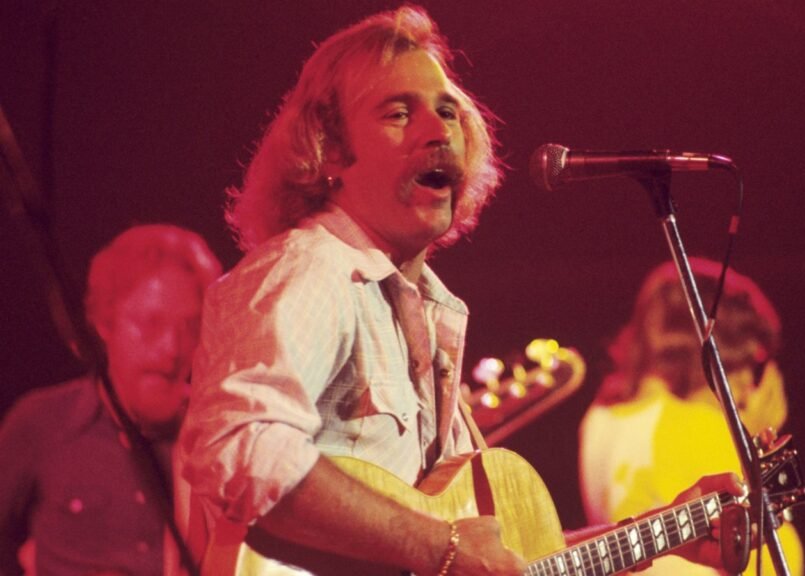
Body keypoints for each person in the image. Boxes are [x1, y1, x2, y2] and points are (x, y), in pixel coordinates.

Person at [178, 6, 744, 576]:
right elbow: (241, 446)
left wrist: (662, 535)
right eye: (399, 113)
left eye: (448, 112)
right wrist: (439, 547)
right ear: (329, 150)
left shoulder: (423, 308)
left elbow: (500, 562)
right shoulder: (312, 269)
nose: (439, 131)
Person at [0, 224, 223, 576]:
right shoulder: (41, 422)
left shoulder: (214, 435)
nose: (172, 348)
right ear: (106, 323)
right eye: (151, 324)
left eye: (190, 327)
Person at [579, 257, 805, 576]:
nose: (747, 389)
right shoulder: (695, 425)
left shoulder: (599, 419)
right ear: (720, 357)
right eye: (751, 366)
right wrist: (750, 451)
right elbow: (771, 562)